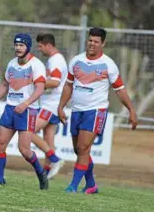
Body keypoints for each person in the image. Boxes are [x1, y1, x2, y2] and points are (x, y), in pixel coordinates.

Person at [57, 27, 138, 194]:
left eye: (96, 42)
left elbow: (120, 90)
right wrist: (61, 106)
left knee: (83, 146)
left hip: (95, 111)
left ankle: (72, 186)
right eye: (90, 40)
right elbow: (68, 85)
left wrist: (131, 110)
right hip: (77, 110)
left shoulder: (109, 65)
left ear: (103, 44)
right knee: (79, 150)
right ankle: (91, 184)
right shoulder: (76, 61)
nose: (92, 44)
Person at [0, 33, 49, 190]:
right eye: (16, 45)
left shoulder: (36, 65)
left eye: (21, 45)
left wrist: (25, 103)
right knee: (1, 144)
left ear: (28, 47)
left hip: (28, 110)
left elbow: (40, 89)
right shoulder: (12, 63)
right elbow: (5, 85)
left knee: (24, 150)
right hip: (10, 108)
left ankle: (41, 174)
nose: (18, 48)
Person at [32, 33, 66, 179]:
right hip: (52, 104)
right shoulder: (55, 60)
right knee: (48, 138)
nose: (39, 50)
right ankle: (46, 171)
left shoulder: (56, 60)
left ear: (48, 45)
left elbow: (56, 82)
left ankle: (55, 159)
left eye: (40, 46)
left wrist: (37, 83)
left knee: (28, 130)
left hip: (50, 104)